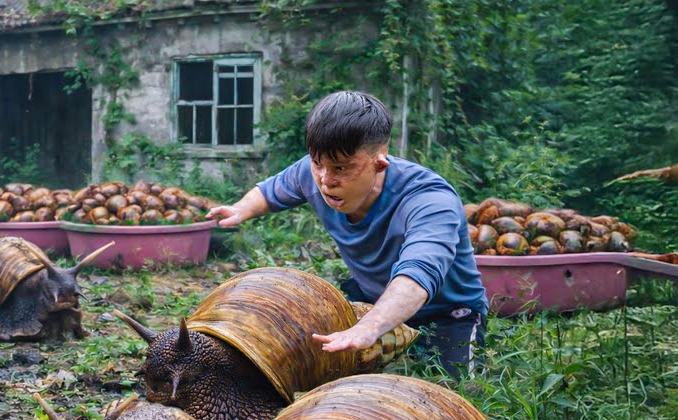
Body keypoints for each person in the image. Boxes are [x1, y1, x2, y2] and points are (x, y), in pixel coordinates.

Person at [207, 90, 488, 378]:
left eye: (342, 168)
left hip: (447, 312)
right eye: (318, 164)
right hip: (370, 298)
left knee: (450, 392)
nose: (326, 181)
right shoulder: (313, 172)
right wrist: (240, 209)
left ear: (380, 163)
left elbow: (417, 277)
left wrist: (370, 327)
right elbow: (270, 191)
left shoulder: (429, 201)